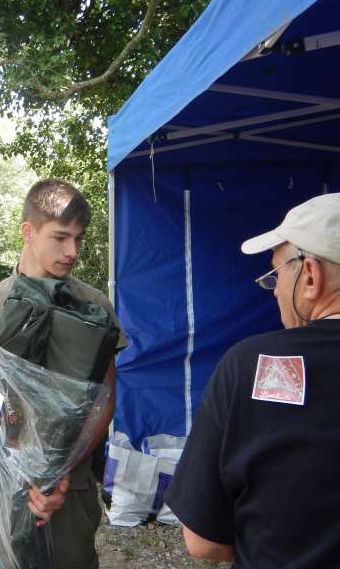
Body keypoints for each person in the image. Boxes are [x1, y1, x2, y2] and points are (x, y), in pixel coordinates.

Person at [165, 192, 340, 567]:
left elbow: (203, 542)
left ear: (310, 275)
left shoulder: (249, 364)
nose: (274, 290)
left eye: (277, 274)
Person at [0, 179, 127, 568]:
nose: (72, 252)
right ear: (28, 232)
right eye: (61, 237)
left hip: (69, 484)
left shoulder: (93, 306)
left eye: (79, 239)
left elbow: (106, 400)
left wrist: (59, 473)